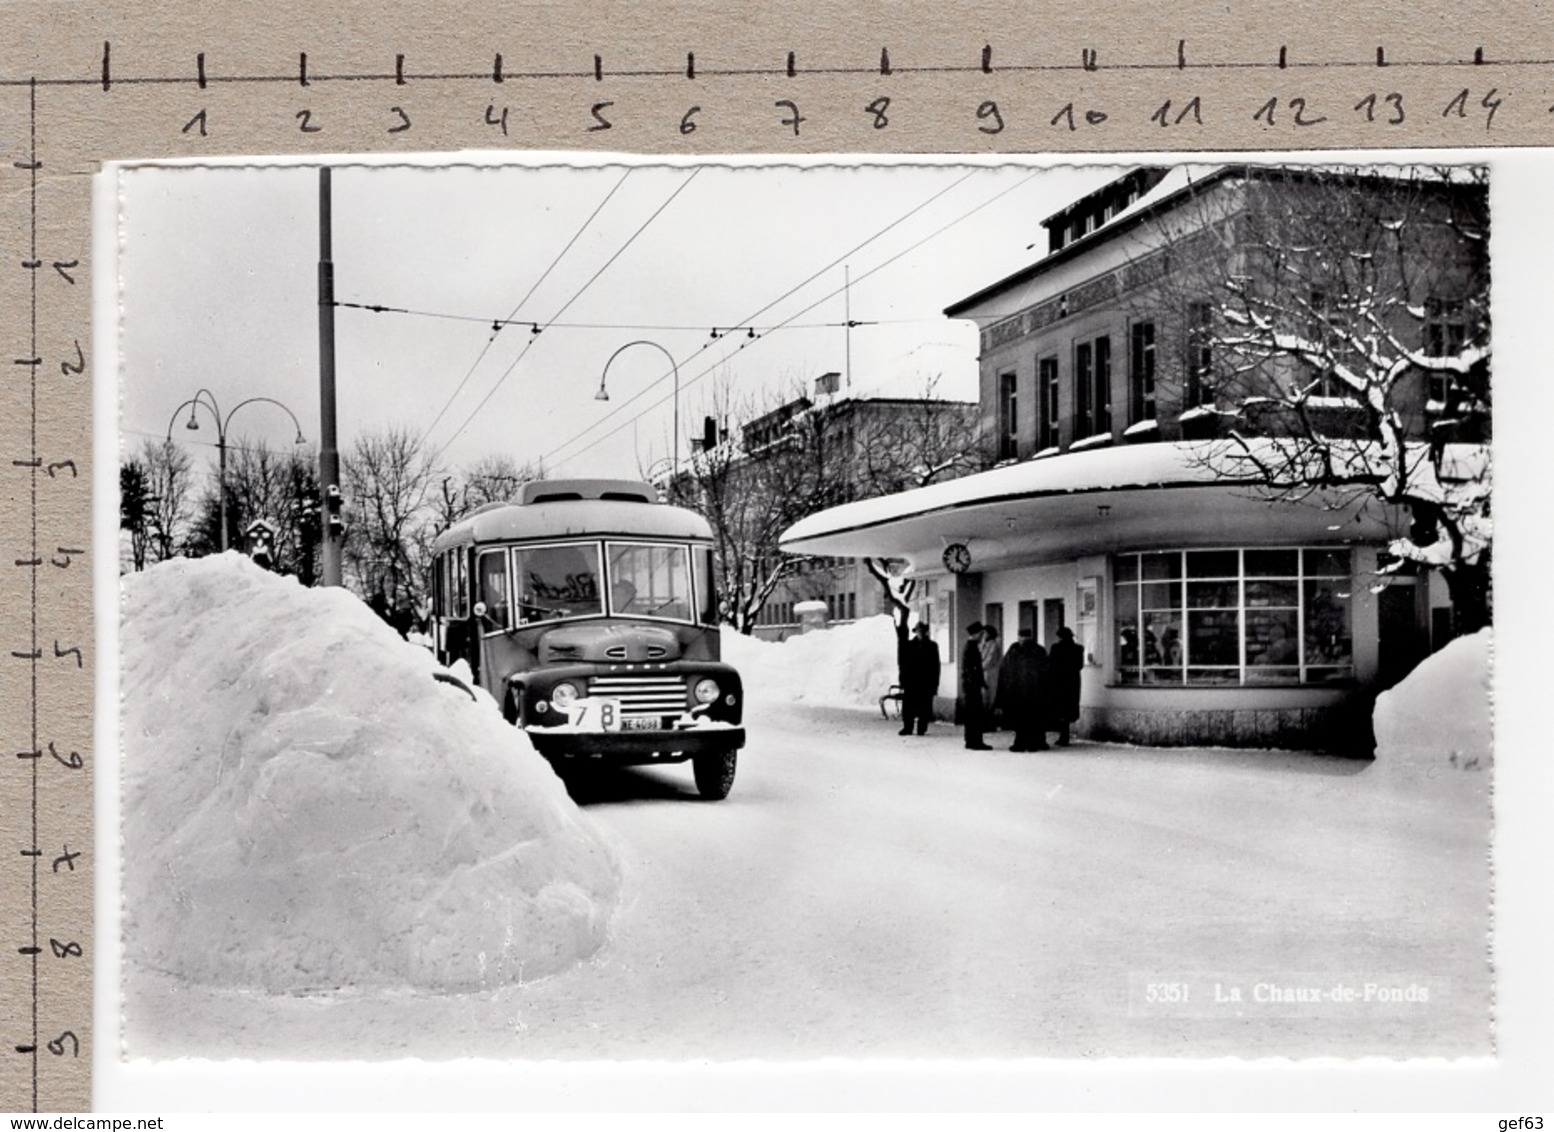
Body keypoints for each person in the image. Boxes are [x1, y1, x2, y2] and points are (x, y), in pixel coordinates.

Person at [996, 629, 1050, 752]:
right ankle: (1035, 742)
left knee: (1020, 718)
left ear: (1019, 637)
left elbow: (1005, 671)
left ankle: (1020, 743)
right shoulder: (1039, 650)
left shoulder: (1014, 651)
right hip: (1035, 692)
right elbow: (1046, 673)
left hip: (1017, 691)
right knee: (1035, 717)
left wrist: (1006, 689)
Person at [898, 622, 941, 736]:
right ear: (915, 632)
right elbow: (904, 665)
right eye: (918, 630)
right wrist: (902, 681)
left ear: (925, 632)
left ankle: (922, 728)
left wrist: (935, 684)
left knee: (925, 706)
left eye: (922, 630)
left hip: (926, 682)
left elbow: (935, 666)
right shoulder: (909, 645)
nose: (920, 632)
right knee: (908, 707)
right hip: (911, 681)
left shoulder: (932, 646)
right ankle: (908, 727)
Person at [1047, 625, 1085, 746]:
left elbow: (1051, 664)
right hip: (1073, 681)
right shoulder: (1078, 648)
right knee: (1069, 707)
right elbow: (1079, 665)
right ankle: (1065, 735)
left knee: (1060, 708)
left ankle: (1063, 736)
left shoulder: (1056, 648)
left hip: (1059, 681)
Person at [959, 622, 991, 750]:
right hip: (973, 686)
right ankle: (976, 741)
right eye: (981, 634)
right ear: (977, 634)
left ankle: (970, 740)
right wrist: (978, 683)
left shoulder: (970, 646)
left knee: (971, 714)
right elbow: (973, 669)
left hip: (970, 685)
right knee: (975, 714)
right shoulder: (972, 647)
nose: (983, 636)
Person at [979, 624, 1003, 729]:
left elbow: (990, 660)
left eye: (985, 632)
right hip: (984, 673)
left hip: (990, 673)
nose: (983, 635)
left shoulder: (994, 644)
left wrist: (978, 667)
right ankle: (985, 721)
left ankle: (989, 723)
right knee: (984, 698)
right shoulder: (983, 644)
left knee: (989, 698)